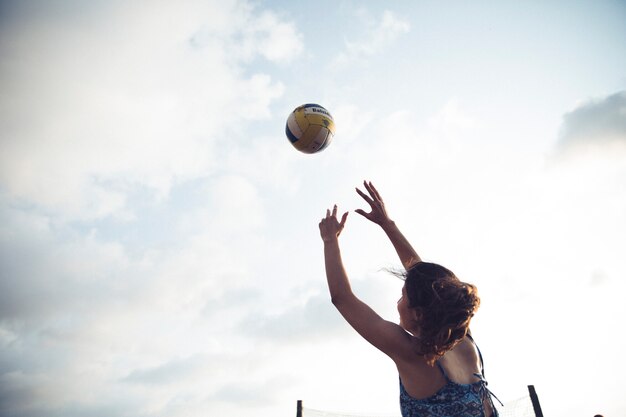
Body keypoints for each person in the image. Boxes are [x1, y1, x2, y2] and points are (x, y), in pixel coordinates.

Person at [319, 181, 501, 417]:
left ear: (418, 313)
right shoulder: (465, 340)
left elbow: (342, 299)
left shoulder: (414, 355)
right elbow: (426, 280)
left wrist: (330, 241)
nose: (397, 303)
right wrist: (387, 224)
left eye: (402, 296)